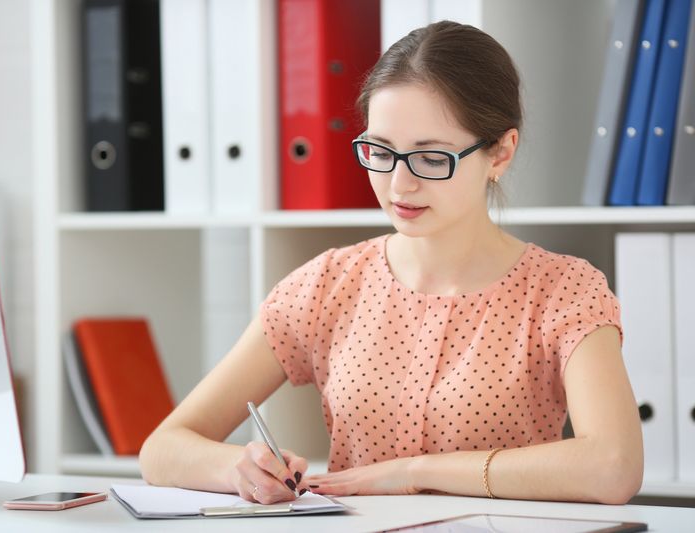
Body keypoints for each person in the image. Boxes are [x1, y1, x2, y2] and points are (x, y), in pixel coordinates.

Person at [139, 20, 643, 505]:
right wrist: (239, 469)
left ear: (500, 152)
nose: (400, 185)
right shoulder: (327, 284)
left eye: (430, 158)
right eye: (380, 151)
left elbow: (614, 466)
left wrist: (416, 473)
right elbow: (163, 449)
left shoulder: (564, 290)